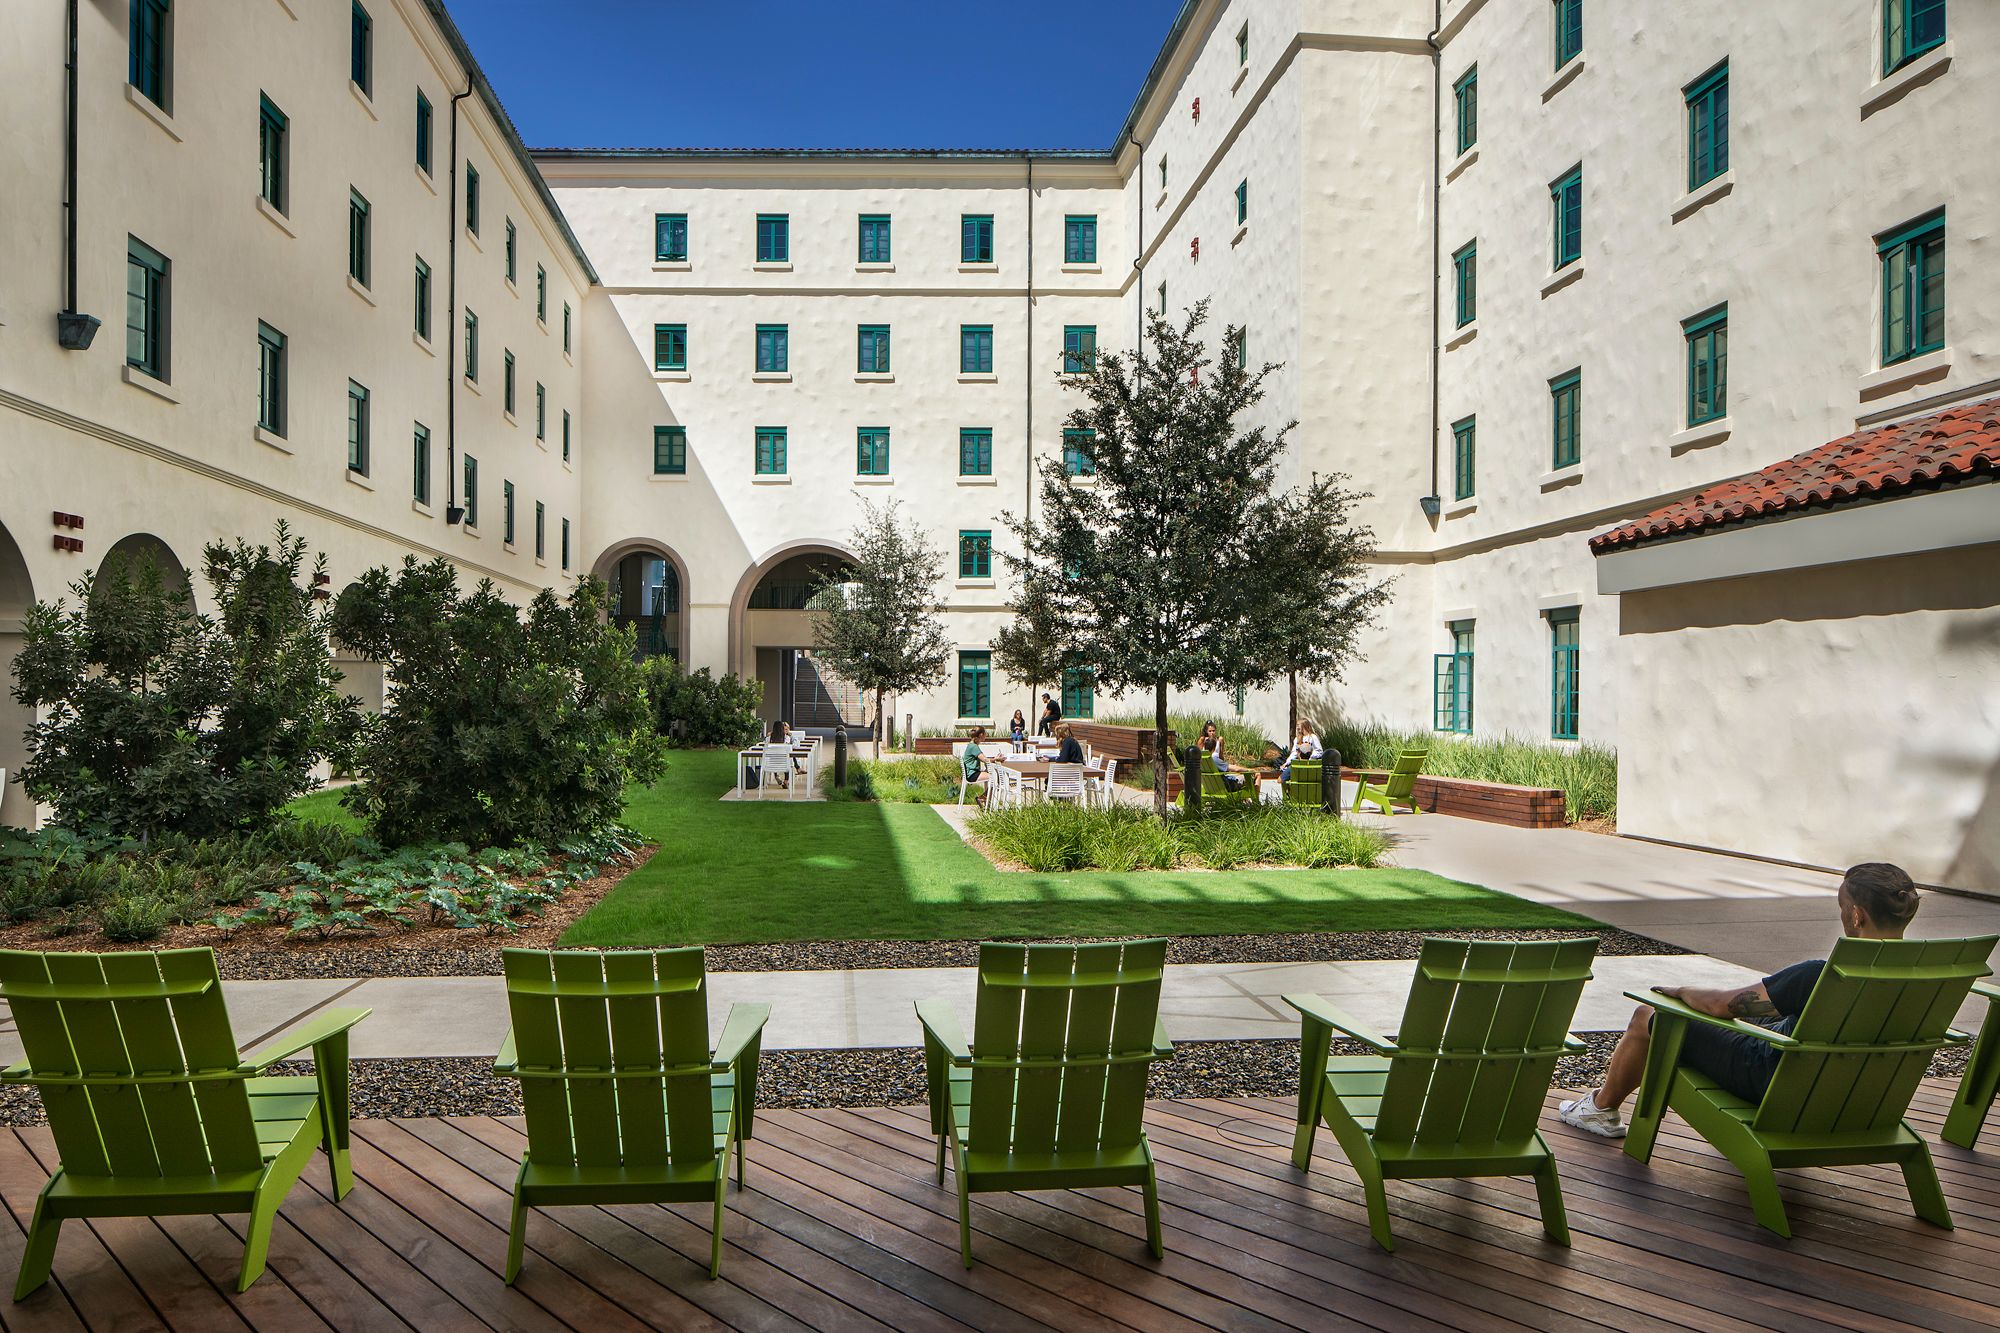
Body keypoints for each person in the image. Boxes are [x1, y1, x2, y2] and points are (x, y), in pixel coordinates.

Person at [1556, 862, 1922, 1139]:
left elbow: (1721, 1006)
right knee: (1762, 1021)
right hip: (1862, 1100)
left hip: (1775, 1085)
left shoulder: (1821, 976)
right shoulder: (1928, 976)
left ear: (1856, 915)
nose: (1841, 914)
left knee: (1647, 1015)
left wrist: (1684, 992)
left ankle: (1600, 1110)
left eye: (1842, 907)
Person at [1198, 721, 1243, 791]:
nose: (1212, 733)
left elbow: (1221, 755)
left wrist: (1222, 765)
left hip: (1217, 769)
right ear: (1206, 731)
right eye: (1210, 731)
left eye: (1213, 731)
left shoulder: (1219, 740)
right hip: (1215, 770)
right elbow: (1199, 754)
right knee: (1238, 778)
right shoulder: (1203, 740)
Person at [1279, 719, 1323, 783]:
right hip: (1298, 763)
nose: (1297, 727)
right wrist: (1286, 763)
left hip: (1310, 765)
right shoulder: (1297, 738)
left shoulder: (1313, 737)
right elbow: (1294, 753)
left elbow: (1319, 751)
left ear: (1304, 725)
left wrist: (1310, 757)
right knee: (1281, 780)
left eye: (1298, 725)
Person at [961, 726, 989, 806]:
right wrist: (997, 758)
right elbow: (985, 760)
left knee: (992, 776)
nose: (986, 736)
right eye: (985, 734)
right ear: (981, 735)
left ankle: (986, 800)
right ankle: (982, 798)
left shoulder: (971, 745)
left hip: (971, 773)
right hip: (972, 774)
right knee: (995, 777)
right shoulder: (974, 747)